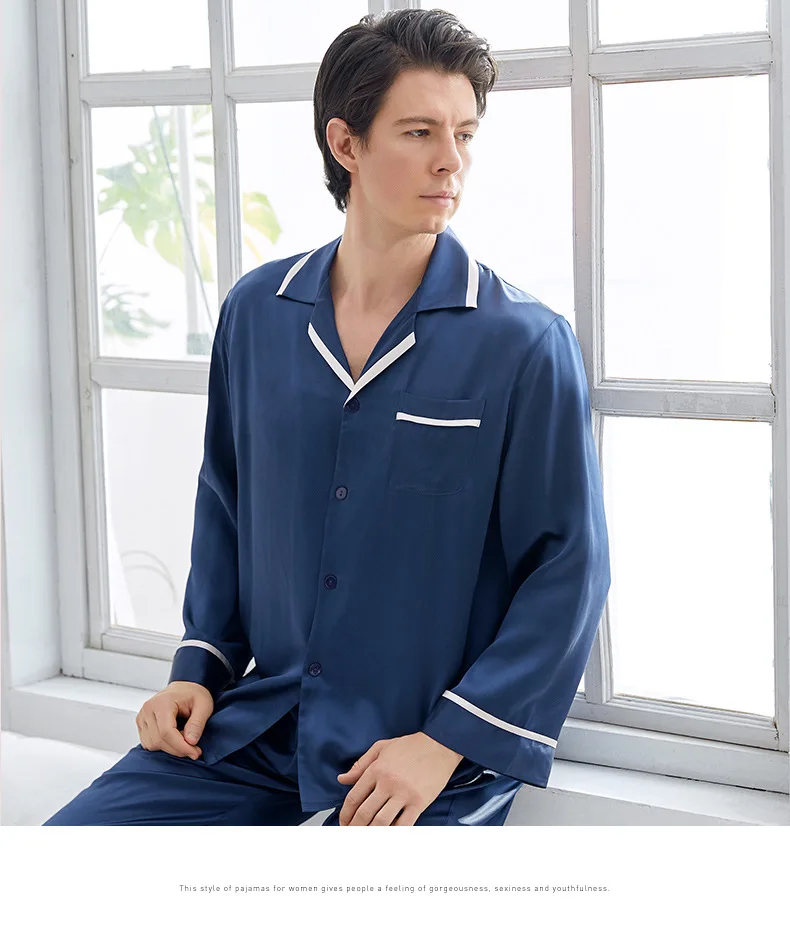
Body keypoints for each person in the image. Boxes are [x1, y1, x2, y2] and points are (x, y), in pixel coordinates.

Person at [44, 7, 610, 827]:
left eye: (464, 134)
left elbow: (568, 567)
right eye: (419, 132)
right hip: (256, 731)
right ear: (346, 144)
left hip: (420, 757)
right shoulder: (257, 314)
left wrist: (446, 742)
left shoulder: (524, 342)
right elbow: (226, 502)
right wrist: (198, 670)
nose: (451, 161)